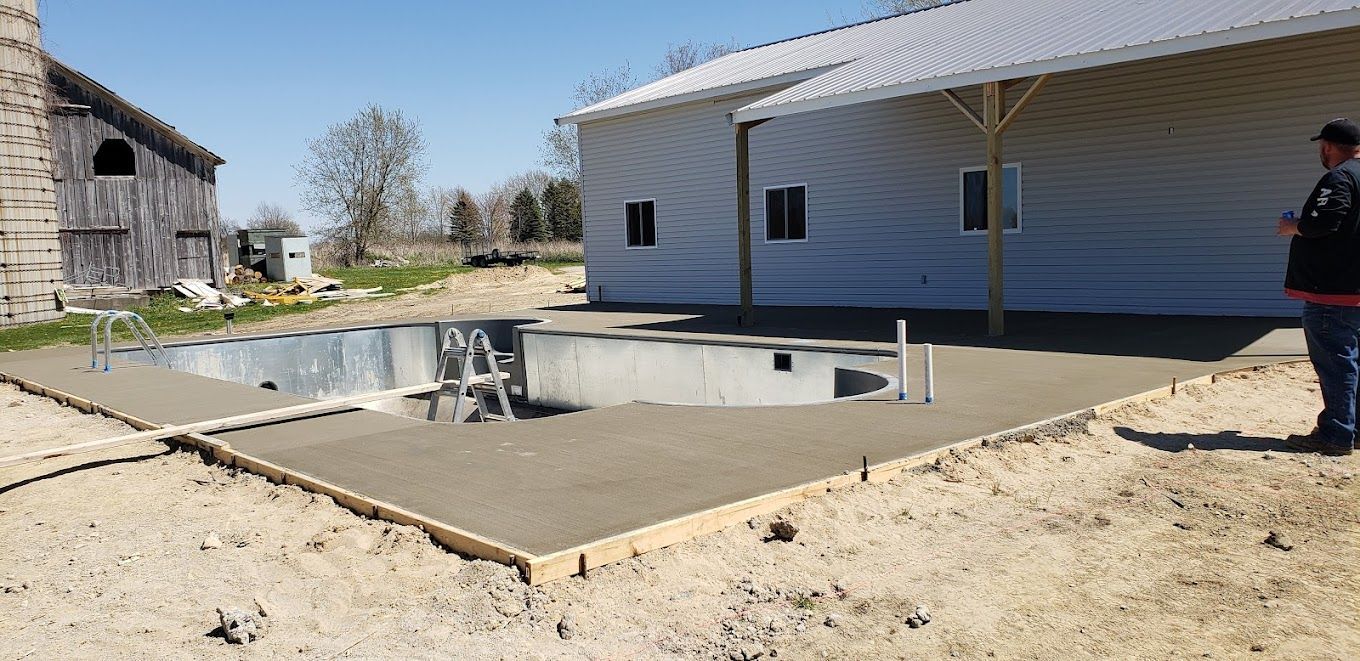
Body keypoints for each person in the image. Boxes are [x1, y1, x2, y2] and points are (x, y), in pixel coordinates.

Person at [1278, 118, 1360, 456]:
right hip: (1353, 289)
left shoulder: (1339, 177)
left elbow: (1325, 221)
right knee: (1352, 360)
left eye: (1320, 147)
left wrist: (1292, 226)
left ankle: (1335, 435)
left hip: (1331, 290)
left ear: (1327, 147)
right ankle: (1353, 430)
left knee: (1335, 362)